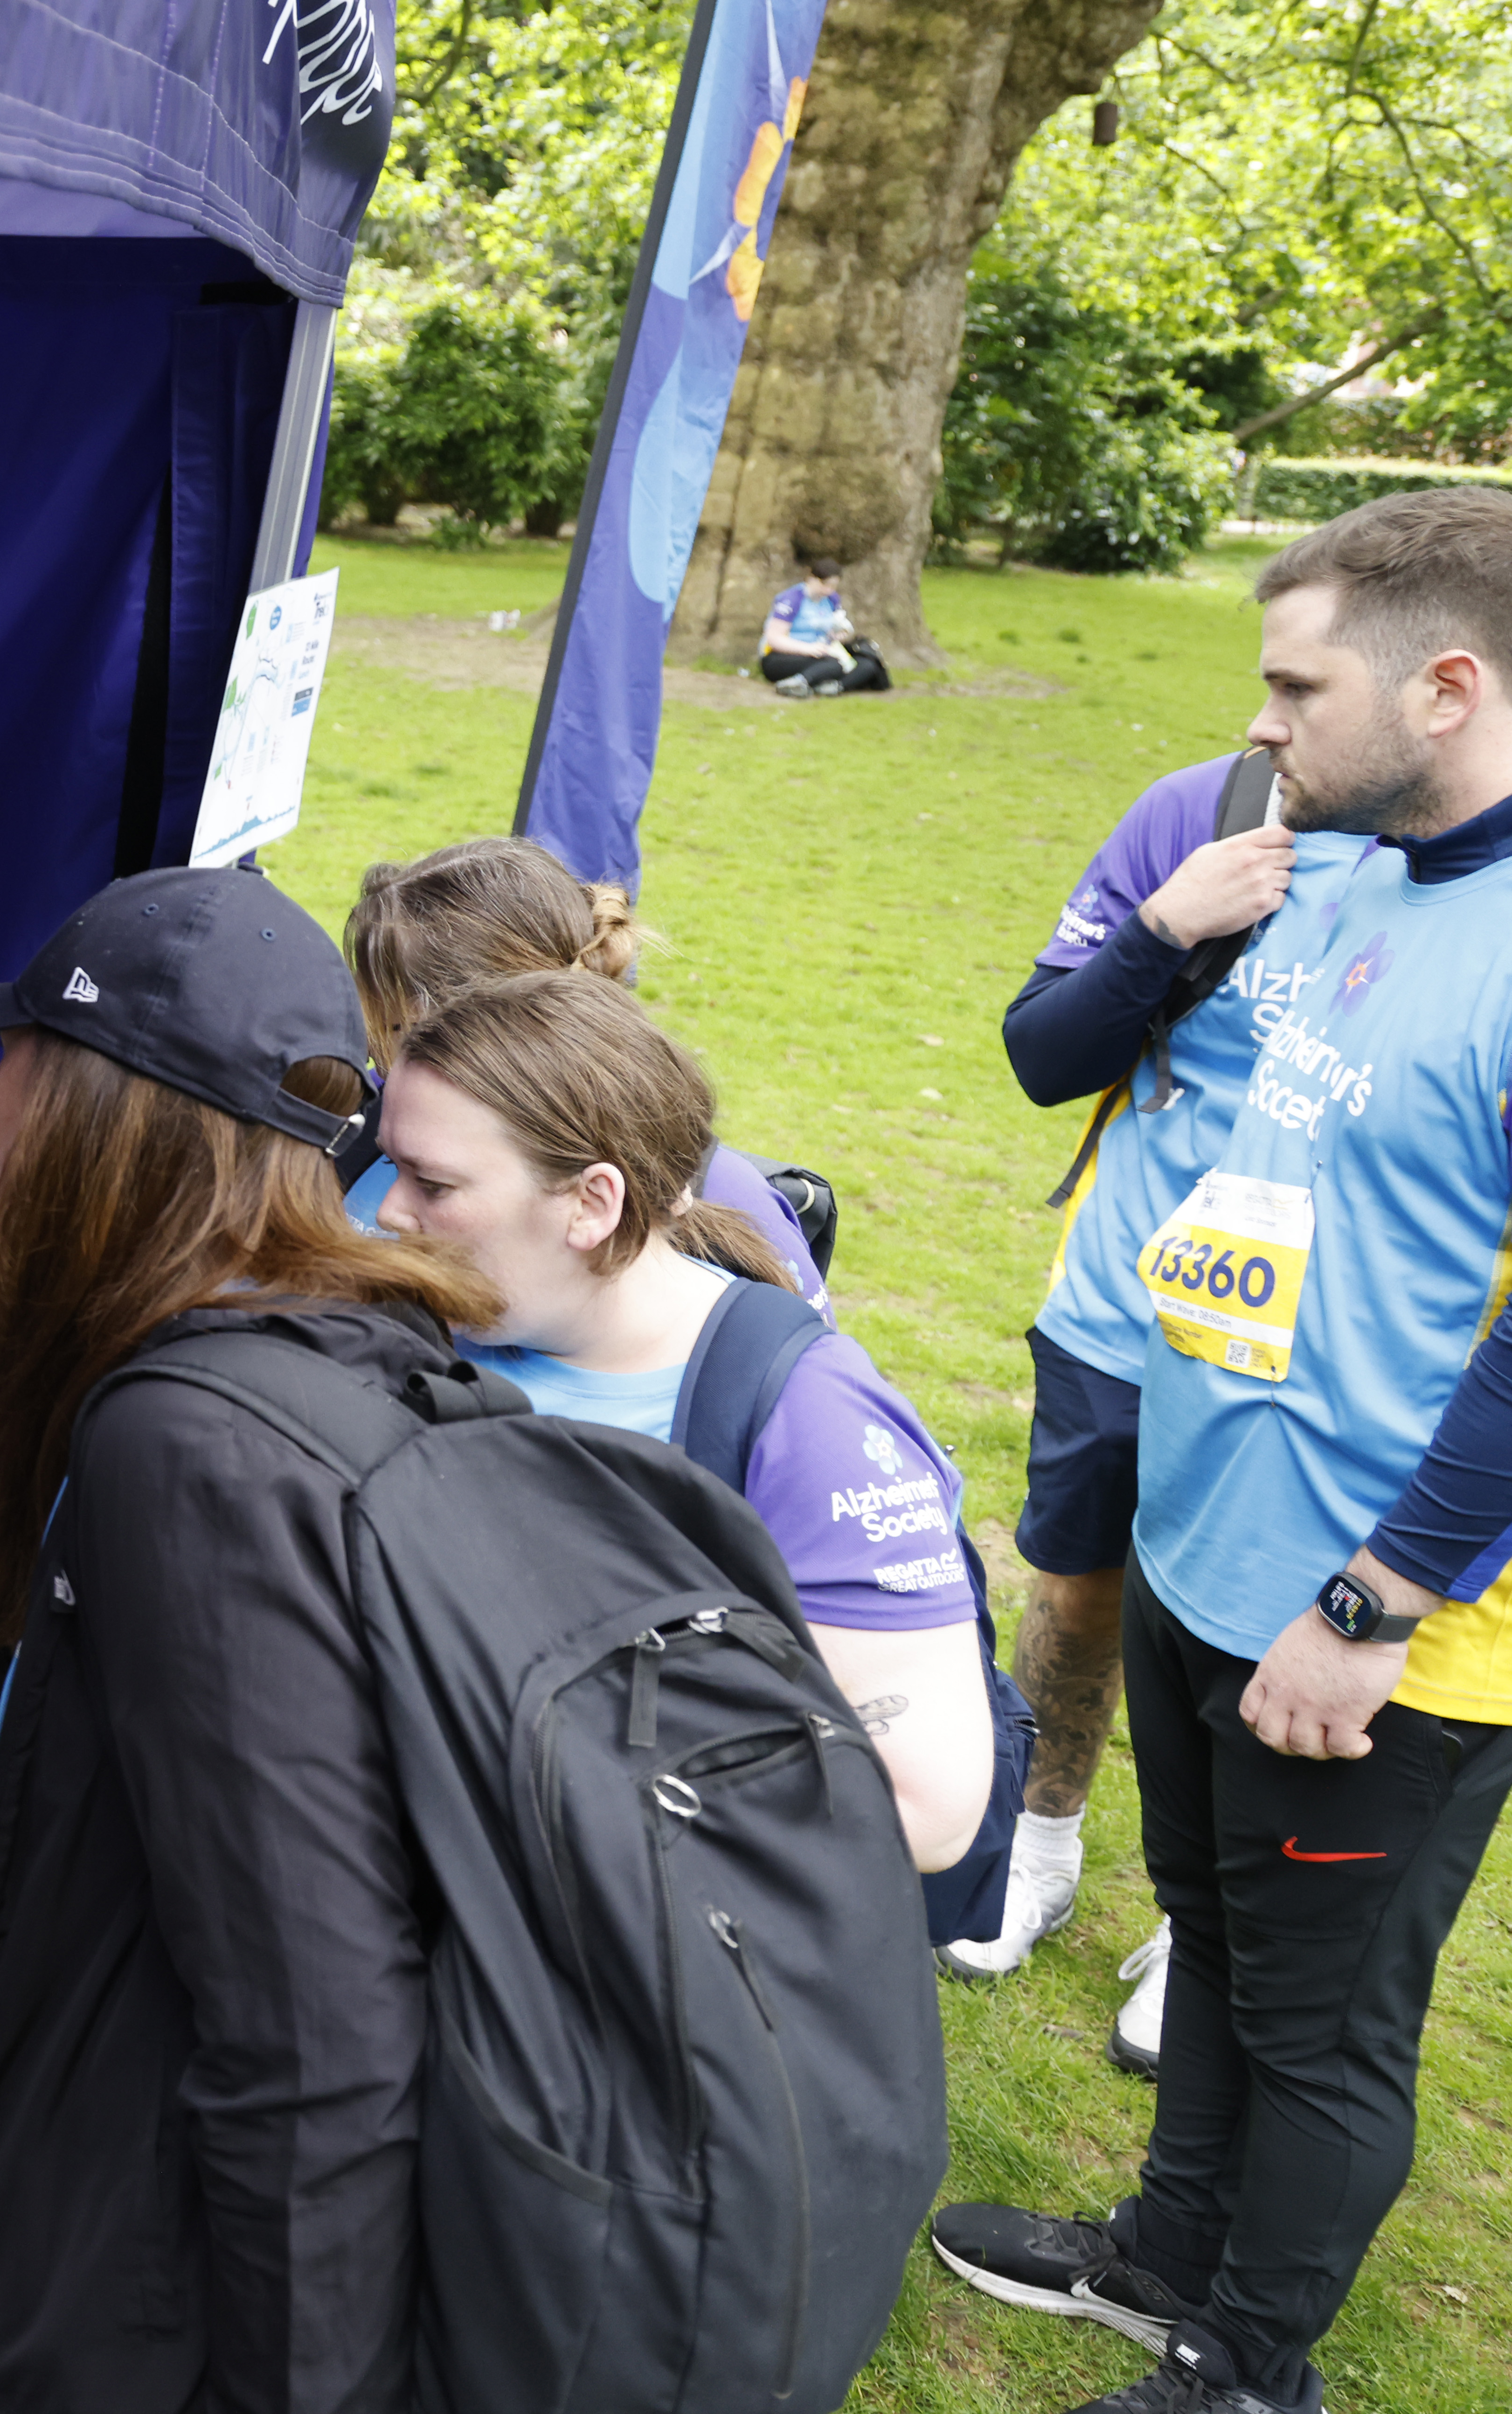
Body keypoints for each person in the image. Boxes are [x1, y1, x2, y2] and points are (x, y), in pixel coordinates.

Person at [931, 487, 1512, 2414]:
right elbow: (1088, 1066)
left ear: (1443, 687)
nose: (1254, 724)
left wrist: (1374, 1597)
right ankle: (1158, 2255)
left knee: (1320, 2017)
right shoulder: (1319, 867)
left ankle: (1249, 2365)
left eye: (1291, 682)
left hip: (1374, 1625)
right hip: (1197, 1544)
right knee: (1209, 1935)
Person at [0, 865, 499, 2411]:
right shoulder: (274, 1343)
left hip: (153, 2305)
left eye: (12, 1053)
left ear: (85, 1110)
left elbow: (318, 2041)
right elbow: (61, 1742)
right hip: (83, 2187)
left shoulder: (197, 1446)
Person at [373, 971, 999, 1875]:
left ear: (591, 1202)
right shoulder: (418, 1321)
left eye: (432, 1182)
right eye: (392, 1166)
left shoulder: (806, 1420)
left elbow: (921, 1806)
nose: (389, 1211)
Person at [945, 758, 1367, 2065]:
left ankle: (1202, 1930)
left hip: (1325, 1355)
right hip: (1127, 1309)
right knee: (1076, 1591)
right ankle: (1039, 1844)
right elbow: (1041, 1053)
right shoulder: (1208, 807)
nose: (1266, 719)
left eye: (1303, 688)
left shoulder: (1464, 869)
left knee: (1243, 1633)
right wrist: (1164, 925)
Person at [340, 835, 832, 1312]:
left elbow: (789, 1364)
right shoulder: (379, 1119)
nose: (370, 1051)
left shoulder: (724, 1200)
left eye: (395, 1026)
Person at [762, 555, 891, 695]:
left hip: (822, 653)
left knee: (868, 665)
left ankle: (834, 687)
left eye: (833, 586)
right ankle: (799, 682)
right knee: (834, 665)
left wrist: (840, 635)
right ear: (811, 579)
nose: (828, 591)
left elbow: (836, 627)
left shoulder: (832, 600)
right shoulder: (793, 599)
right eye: (825, 585)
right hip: (785, 656)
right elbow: (774, 639)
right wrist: (808, 649)